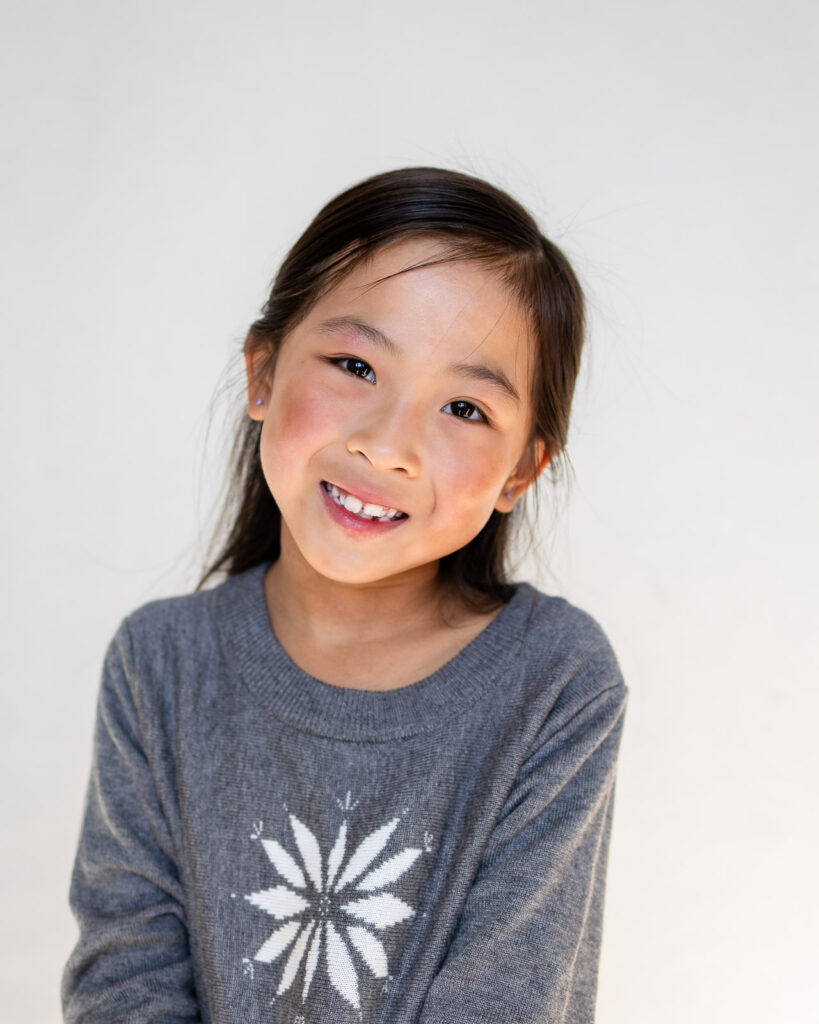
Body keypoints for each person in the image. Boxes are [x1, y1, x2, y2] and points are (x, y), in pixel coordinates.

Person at [62, 166, 629, 1024]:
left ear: (521, 469)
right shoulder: (160, 663)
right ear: (262, 371)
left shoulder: (553, 682)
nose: (389, 444)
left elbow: (505, 999)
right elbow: (124, 982)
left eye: (465, 409)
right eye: (356, 364)